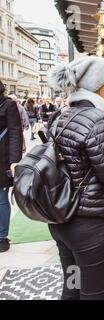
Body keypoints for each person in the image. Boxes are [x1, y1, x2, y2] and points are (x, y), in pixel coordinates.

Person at [47, 57, 104, 300]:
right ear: (98, 85)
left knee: (72, 287)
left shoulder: (61, 117)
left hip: (61, 223)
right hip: (88, 228)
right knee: (93, 295)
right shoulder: (97, 119)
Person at [0, 81, 23, 252]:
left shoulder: (8, 105)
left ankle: (1, 237)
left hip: (2, 159)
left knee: (1, 198)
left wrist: (14, 161)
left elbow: (16, 132)